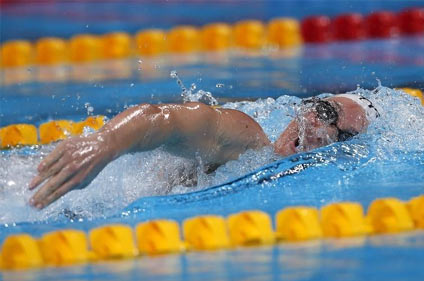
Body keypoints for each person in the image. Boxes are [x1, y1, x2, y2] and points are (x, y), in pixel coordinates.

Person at [28, 94, 380, 209]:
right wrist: (104, 143)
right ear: (304, 108)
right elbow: (163, 119)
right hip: (64, 190)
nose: (321, 129)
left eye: (343, 135)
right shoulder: (245, 140)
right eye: (324, 112)